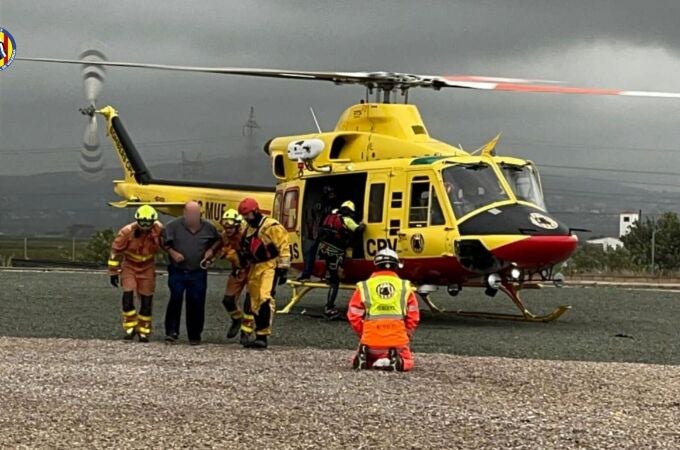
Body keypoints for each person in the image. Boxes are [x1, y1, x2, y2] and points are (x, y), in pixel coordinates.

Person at [347, 248, 420, 372]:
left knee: (371, 354)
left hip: (370, 341)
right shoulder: (404, 286)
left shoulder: (365, 286)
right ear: (396, 266)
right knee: (408, 361)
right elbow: (414, 316)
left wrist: (363, 333)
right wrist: (405, 334)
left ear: (376, 265)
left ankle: (364, 356)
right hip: (397, 342)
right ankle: (397, 361)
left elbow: (353, 315)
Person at [162, 200, 223, 345]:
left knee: (196, 302)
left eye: (196, 214)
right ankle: (171, 332)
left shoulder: (209, 228)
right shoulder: (173, 226)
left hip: (198, 272)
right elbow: (163, 242)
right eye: (190, 213)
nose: (193, 216)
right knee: (175, 299)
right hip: (178, 270)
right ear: (184, 213)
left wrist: (211, 251)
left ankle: (195, 335)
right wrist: (173, 253)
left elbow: (219, 240)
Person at [238, 197, 290, 349]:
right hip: (255, 267)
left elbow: (283, 246)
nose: (246, 218)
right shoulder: (247, 228)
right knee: (254, 302)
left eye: (247, 215)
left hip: (269, 266)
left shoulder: (271, 226)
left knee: (264, 298)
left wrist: (283, 269)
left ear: (255, 211)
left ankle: (263, 336)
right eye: (244, 216)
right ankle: (256, 333)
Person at [108, 205, 164, 342]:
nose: (145, 226)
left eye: (148, 223)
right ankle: (130, 327)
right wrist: (113, 272)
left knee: (146, 300)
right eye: (142, 223)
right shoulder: (127, 232)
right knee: (128, 296)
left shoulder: (159, 230)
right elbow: (116, 252)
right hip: (130, 266)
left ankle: (144, 330)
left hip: (148, 266)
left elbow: (167, 245)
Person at [318, 200, 365, 319]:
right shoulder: (347, 220)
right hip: (336, 252)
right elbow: (358, 230)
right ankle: (329, 308)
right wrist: (363, 224)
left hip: (325, 249)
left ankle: (329, 275)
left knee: (332, 275)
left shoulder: (331, 217)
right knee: (335, 282)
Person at [218, 208, 250, 343]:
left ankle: (246, 332)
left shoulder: (246, 234)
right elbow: (220, 248)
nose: (228, 229)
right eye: (226, 226)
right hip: (237, 270)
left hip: (251, 269)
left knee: (250, 302)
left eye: (231, 227)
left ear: (237, 225)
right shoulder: (225, 236)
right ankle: (237, 319)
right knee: (228, 300)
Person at [297, 186, 338, 281]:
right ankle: (308, 273)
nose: (332, 195)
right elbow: (317, 213)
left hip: (330, 233)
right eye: (331, 193)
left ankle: (327, 273)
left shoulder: (333, 205)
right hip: (324, 232)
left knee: (327, 253)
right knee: (312, 251)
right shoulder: (324, 203)